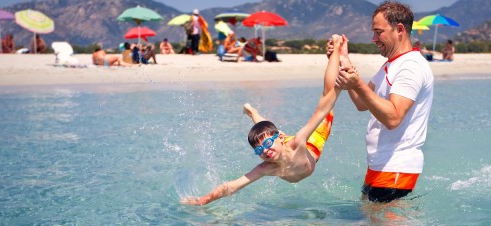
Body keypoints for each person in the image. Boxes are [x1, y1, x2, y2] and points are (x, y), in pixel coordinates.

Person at [181, 34, 348, 206]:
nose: (265, 151)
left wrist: (339, 89)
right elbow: (232, 186)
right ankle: (253, 113)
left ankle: (336, 46)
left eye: (267, 145)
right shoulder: (266, 167)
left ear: (281, 139)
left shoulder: (298, 142)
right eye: (259, 150)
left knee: (327, 95)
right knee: (265, 131)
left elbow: (321, 111)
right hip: (281, 140)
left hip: (311, 145)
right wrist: (204, 200)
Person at [330, 1, 434, 203]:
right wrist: (343, 59)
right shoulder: (393, 65)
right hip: (381, 165)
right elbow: (362, 103)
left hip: (396, 168)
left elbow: (393, 117)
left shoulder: (410, 67)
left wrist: (357, 84)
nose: (374, 39)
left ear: (400, 29)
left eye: (379, 32)